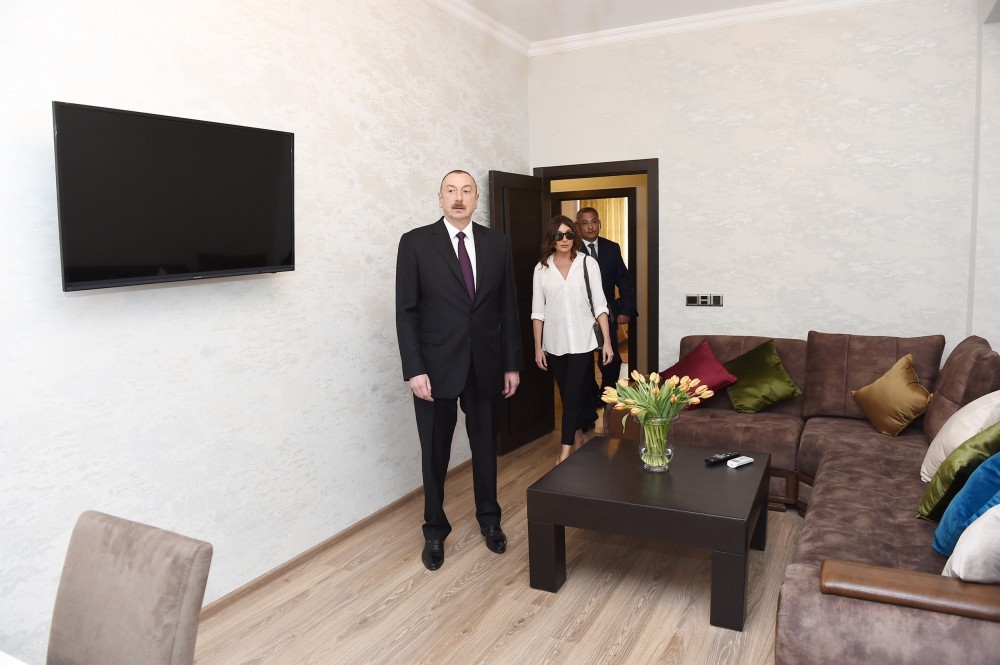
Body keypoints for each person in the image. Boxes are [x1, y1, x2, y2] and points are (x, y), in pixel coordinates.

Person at [395, 170, 522, 572]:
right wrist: (414, 369)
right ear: (440, 198)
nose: (459, 198)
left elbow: (508, 308)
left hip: (485, 365)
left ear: (476, 198)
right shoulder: (415, 243)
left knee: (485, 447)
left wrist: (512, 364)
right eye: (451, 191)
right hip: (434, 369)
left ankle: (490, 520)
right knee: (435, 451)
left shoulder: (498, 243)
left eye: (466, 191)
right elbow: (406, 312)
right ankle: (434, 529)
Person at [531, 215, 614, 463]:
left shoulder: (588, 264)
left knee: (572, 397)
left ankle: (565, 453)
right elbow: (538, 312)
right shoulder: (541, 269)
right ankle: (578, 437)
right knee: (567, 396)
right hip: (554, 343)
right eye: (559, 235)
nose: (564, 239)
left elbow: (600, 305)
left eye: (569, 234)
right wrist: (538, 347)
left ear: (574, 237)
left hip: (582, 341)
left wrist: (607, 343)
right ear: (551, 239)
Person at [575, 207, 638, 430]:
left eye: (594, 221)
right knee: (583, 363)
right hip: (579, 316)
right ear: (578, 226)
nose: (590, 226)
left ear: (599, 224)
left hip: (607, 314)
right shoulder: (571, 248)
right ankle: (588, 408)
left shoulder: (611, 248)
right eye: (585, 223)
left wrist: (626, 309)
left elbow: (624, 281)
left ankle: (606, 397)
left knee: (612, 361)